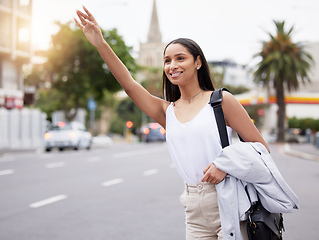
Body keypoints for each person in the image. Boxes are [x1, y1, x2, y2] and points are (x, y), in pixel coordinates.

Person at [74, 6, 269, 240]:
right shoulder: (168, 111)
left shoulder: (221, 101)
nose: (172, 65)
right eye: (167, 60)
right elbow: (128, 83)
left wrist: (225, 165)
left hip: (226, 199)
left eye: (180, 58)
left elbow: (261, 148)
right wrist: (100, 44)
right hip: (193, 206)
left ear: (198, 62)